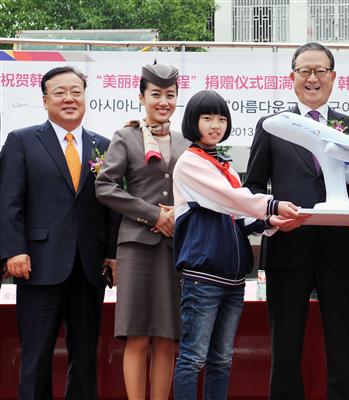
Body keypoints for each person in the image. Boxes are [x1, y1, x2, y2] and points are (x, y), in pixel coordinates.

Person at [244, 41, 349, 399]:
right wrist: (272, 217)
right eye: (305, 71)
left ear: (333, 77)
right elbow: (253, 186)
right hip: (287, 248)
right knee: (285, 351)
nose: (312, 78)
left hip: (339, 251)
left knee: (343, 349)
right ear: (292, 77)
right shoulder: (273, 126)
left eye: (320, 71)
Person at [171, 89, 300, 399]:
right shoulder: (190, 162)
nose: (215, 125)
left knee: (221, 360)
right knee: (193, 357)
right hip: (203, 276)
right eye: (207, 118)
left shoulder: (222, 164)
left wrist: (271, 222)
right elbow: (233, 200)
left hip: (232, 276)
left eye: (221, 119)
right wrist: (273, 205)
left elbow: (239, 215)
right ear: (192, 122)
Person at [0, 66, 119, 399]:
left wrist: (111, 253)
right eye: (60, 92)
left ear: (84, 96)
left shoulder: (104, 146)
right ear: (45, 100)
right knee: (36, 358)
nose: (69, 99)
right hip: (38, 265)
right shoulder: (21, 141)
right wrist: (14, 250)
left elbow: (111, 206)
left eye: (76, 91)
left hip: (89, 268)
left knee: (85, 360)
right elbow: (8, 202)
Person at [95, 62, 189, 399]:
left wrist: (178, 213)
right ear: (141, 96)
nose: (163, 101)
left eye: (170, 95)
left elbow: (197, 190)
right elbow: (104, 187)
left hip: (176, 247)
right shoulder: (126, 136)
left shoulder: (186, 142)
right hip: (136, 246)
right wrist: (152, 214)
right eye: (156, 95)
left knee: (167, 335)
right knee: (137, 334)